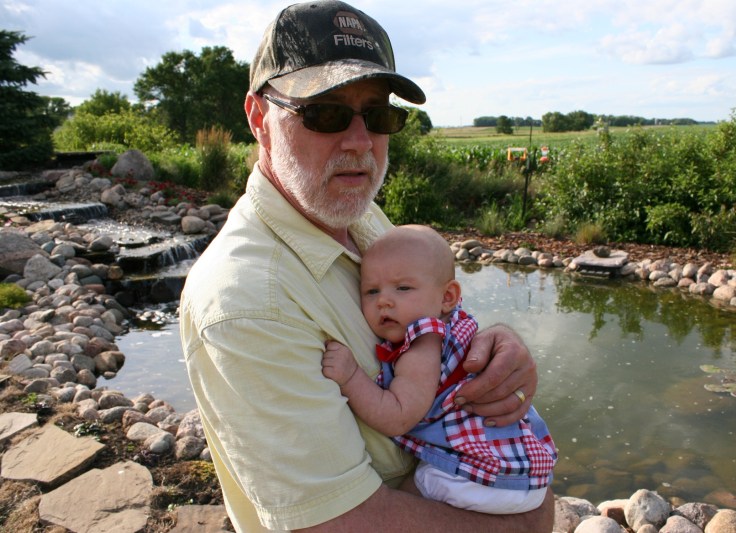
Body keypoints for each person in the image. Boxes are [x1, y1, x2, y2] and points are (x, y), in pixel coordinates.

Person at [179, 1, 555, 531]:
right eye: (325, 113)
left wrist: (494, 349)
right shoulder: (246, 300)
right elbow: (334, 522)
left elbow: (431, 320)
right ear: (259, 119)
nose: (359, 142)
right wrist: (525, 522)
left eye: (378, 115)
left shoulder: (359, 216)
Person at [322, 225, 557, 514]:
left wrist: (350, 377)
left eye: (403, 288)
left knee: (407, 501)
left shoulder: (422, 343)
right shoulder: (452, 321)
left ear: (447, 297)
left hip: (485, 475)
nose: (383, 300)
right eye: (371, 291)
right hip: (518, 471)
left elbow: (398, 416)